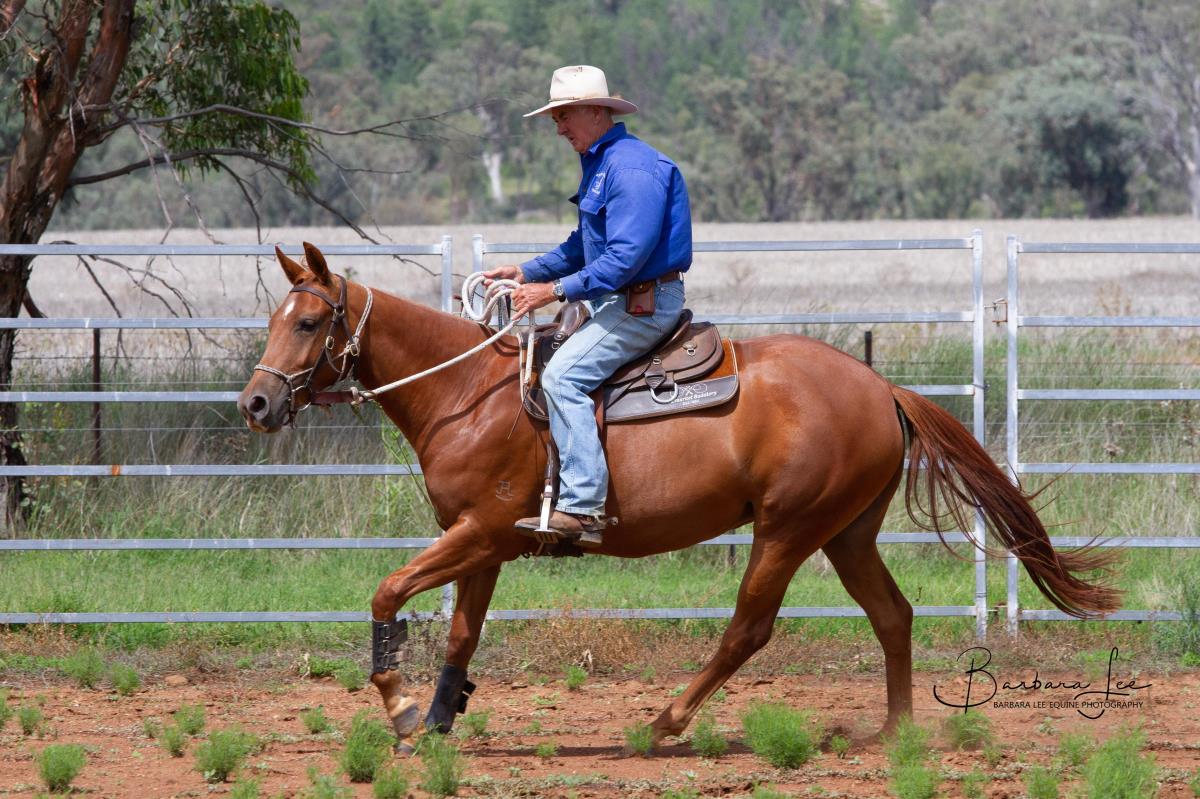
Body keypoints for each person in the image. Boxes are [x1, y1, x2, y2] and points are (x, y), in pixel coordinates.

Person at [483, 65, 692, 548]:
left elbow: (624, 258)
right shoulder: (603, 163)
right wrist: (527, 272)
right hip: (619, 299)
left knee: (562, 376)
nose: (558, 128)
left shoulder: (631, 169)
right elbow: (584, 245)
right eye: (555, 118)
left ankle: (581, 507)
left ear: (596, 112)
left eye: (564, 116)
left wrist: (554, 291)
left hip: (643, 305)